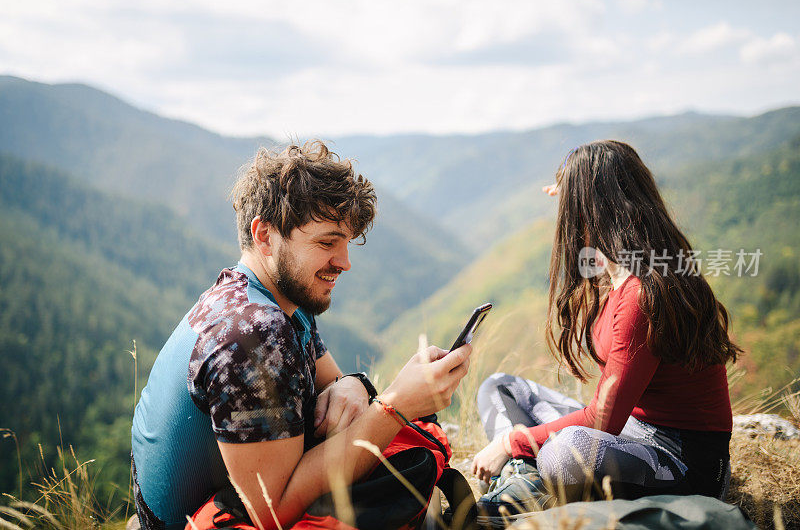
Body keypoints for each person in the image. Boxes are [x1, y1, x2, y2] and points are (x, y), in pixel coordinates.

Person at [131, 141, 471, 530]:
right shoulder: (252, 334)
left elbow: (337, 385)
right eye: (327, 242)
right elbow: (272, 513)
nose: (344, 262)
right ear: (265, 236)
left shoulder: (279, 301)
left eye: (346, 243)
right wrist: (396, 406)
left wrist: (355, 385)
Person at [471, 140, 741, 523]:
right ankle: (527, 483)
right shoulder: (623, 271)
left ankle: (520, 486)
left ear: (589, 208)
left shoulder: (643, 292)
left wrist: (510, 442)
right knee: (499, 387)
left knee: (566, 452)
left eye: (569, 204)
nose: (563, 216)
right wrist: (571, 182)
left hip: (684, 464)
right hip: (632, 431)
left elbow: (602, 422)